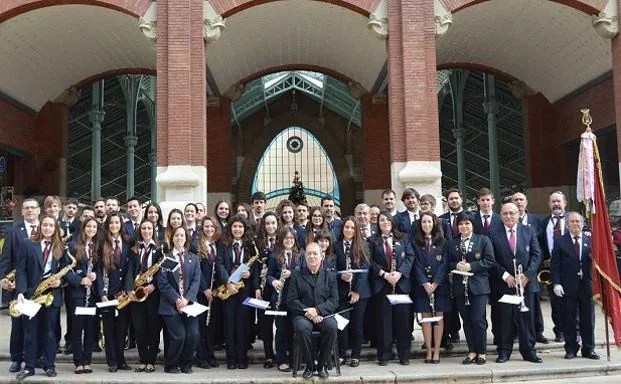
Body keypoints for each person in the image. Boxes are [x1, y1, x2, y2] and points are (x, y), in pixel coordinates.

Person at [15, 215, 69, 380]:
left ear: (55, 228)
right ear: (40, 226)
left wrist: (59, 281)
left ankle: (49, 366)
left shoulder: (61, 247)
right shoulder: (27, 244)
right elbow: (21, 270)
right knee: (30, 333)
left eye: (51, 225)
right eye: (45, 225)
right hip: (31, 295)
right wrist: (21, 292)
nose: (47, 228)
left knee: (50, 333)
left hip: (51, 296)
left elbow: (68, 271)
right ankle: (29, 367)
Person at [490, 202, 543, 363]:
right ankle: (504, 351)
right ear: (501, 215)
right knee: (505, 319)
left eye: (512, 213)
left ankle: (529, 351)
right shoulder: (493, 233)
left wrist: (527, 275)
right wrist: (505, 275)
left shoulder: (528, 231)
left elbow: (537, 255)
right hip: (505, 284)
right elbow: (492, 260)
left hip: (526, 283)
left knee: (526, 318)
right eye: (505, 213)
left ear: (518, 214)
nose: (508, 216)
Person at [551, 212, 600, 360]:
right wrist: (557, 283)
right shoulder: (560, 241)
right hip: (568, 286)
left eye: (578, 221)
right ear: (567, 225)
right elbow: (555, 265)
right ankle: (571, 348)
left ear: (583, 223)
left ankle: (589, 349)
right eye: (572, 222)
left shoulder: (590, 241)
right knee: (570, 319)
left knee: (588, 319)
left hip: (587, 286)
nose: (575, 224)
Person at [448, 213, 495, 365]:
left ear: (472, 225)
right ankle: (472, 351)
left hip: (478, 287)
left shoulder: (483, 240)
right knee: (467, 321)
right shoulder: (453, 243)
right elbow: (447, 262)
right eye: (461, 224)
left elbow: (489, 260)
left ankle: (482, 352)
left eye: (467, 223)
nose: (463, 226)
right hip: (460, 288)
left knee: (478, 320)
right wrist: (456, 265)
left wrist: (471, 266)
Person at [287, 242, 339, 379]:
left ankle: (321, 366)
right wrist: (309, 312)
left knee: (332, 327)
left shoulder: (330, 276)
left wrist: (317, 310)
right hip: (302, 314)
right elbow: (292, 300)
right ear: (305, 257)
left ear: (322, 256)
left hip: (323, 314)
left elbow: (334, 301)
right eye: (309, 253)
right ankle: (309, 365)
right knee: (302, 328)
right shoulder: (296, 275)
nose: (312, 256)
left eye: (315, 253)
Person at [0, 198, 40, 373]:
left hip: (40, 286)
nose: (30, 210)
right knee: (18, 325)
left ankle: (37, 357)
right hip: (17, 285)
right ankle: (16, 358)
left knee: (40, 324)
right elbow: (6, 257)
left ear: (39, 210)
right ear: (22, 211)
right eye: (26, 208)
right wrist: (3, 278)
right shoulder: (13, 231)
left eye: (33, 208)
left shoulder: (47, 228)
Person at [369, 211, 414, 365]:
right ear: (378, 223)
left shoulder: (403, 238)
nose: (385, 222)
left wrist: (400, 274)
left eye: (388, 220)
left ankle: (404, 355)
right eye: (382, 220)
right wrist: (384, 274)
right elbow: (370, 261)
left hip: (400, 285)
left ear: (392, 222)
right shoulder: (372, 240)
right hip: (383, 286)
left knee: (403, 322)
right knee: (384, 323)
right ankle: (384, 355)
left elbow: (410, 257)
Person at [217, 215, 260, 369]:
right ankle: (231, 360)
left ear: (245, 229)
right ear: (230, 228)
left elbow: (254, 267)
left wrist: (250, 275)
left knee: (243, 325)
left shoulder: (250, 246)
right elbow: (220, 265)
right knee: (229, 325)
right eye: (235, 226)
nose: (237, 229)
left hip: (244, 289)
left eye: (240, 227)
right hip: (228, 288)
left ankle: (242, 359)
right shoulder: (223, 244)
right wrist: (227, 283)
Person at [158, 226, 201, 374]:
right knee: (179, 336)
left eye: (182, 235)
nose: (179, 238)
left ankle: (186, 364)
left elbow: (196, 281)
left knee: (194, 335)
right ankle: (170, 365)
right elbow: (162, 283)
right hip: (170, 305)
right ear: (172, 238)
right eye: (176, 235)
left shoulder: (193, 259)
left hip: (189, 304)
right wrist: (177, 300)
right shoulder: (165, 258)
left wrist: (187, 299)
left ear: (186, 239)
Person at [95, 212, 133, 372]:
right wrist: (101, 293)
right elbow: (98, 269)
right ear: (107, 225)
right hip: (107, 293)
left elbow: (131, 268)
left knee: (122, 329)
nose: (114, 226)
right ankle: (112, 362)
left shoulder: (128, 242)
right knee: (109, 330)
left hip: (123, 294)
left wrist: (128, 289)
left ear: (121, 224)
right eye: (111, 223)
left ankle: (121, 360)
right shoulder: (102, 242)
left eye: (117, 223)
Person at [125, 220, 164, 373]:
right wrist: (129, 290)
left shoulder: (160, 248)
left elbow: (162, 271)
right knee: (139, 328)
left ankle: (151, 360)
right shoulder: (134, 249)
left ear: (153, 230)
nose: (146, 231)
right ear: (139, 231)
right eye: (143, 228)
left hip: (153, 294)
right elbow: (129, 270)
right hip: (136, 293)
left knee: (153, 329)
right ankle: (142, 360)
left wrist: (154, 285)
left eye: (149, 228)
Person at [412, 212, 449, 364]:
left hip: (439, 286)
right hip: (422, 287)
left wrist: (435, 283)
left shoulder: (443, 241)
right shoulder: (415, 242)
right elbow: (415, 264)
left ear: (434, 223)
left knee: (439, 317)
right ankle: (428, 350)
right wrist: (424, 283)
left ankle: (436, 351)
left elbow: (445, 263)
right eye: (423, 222)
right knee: (426, 319)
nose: (426, 225)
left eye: (429, 222)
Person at [511, 192, 548, 344]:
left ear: (526, 202)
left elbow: (539, 247)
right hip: (513, 272)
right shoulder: (505, 221)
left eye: (521, 200)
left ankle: (537, 332)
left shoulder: (537, 221)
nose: (519, 202)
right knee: (514, 303)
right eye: (515, 200)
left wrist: (530, 272)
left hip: (532, 270)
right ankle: (517, 332)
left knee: (534, 303)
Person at [334, 216, 371, 367]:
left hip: (359, 293)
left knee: (357, 324)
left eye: (352, 228)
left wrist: (356, 291)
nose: (349, 230)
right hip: (341, 291)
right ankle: (342, 354)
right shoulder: (335, 246)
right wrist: (340, 275)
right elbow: (331, 267)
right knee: (342, 324)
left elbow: (365, 270)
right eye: (346, 227)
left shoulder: (363, 246)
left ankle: (356, 355)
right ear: (342, 229)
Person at [267, 227, 304, 372]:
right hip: (280, 298)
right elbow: (269, 275)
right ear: (281, 240)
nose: (289, 240)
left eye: (291, 238)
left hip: (296, 298)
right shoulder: (274, 256)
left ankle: (295, 358)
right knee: (281, 330)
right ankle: (281, 360)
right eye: (286, 238)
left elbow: (305, 272)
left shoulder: (301, 255)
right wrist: (273, 281)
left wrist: (292, 272)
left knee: (295, 329)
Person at [66, 217, 99, 374]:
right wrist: (81, 280)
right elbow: (66, 271)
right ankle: (78, 361)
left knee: (90, 329)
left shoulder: (97, 247)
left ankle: (88, 360)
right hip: (78, 294)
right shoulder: (73, 245)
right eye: (89, 226)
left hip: (91, 295)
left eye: (94, 227)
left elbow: (100, 268)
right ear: (83, 227)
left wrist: (95, 275)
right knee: (77, 329)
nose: (91, 229)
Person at [537, 191, 568, 342]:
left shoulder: (574, 220)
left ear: (565, 203)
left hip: (571, 269)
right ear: (549, 204)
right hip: (551, 270)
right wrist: (544, 259)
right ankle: (560, 331)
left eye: (558, 201)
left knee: (573, 302)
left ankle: (575, 331)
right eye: (553, 201)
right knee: (556, 303)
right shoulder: (543, 223)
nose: (556, 204)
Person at [194, 216, 223, 369]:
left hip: (215, 292)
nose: (209, 229)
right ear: (202, 228)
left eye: (212, 226)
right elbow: (196, 271)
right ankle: (201, 357)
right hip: (201, 292)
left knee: (211, 326)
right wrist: (205, 288)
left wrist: (217, 288)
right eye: (206, 226)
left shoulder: (218, 245)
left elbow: (220, 267)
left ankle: (210, 355)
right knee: (200, 326)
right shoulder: (196, 245)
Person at [256, 212, 280, 369]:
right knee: (265, 324)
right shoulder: (258, 243)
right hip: (262, 290)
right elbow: (252, 268)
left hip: (278, 289)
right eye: (267, 223)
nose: (270, 226)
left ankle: (281, 353)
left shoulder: (283, 241)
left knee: (280, 323)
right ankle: (268, 355)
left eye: (273, 223)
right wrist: (256, 286)